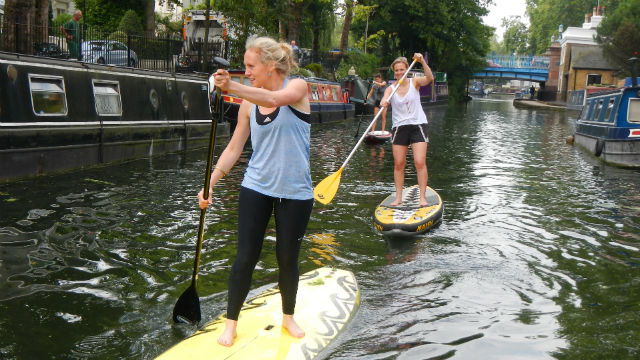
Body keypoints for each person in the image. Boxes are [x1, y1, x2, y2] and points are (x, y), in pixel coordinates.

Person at [198, 36, 313, 347]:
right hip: (256, 187)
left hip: (295, 192)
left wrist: (230, 87)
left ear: (270, 65)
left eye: (250, 66)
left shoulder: (298, 89)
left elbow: (274, 100)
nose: (246, 71)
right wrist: (212, 180)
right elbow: (235, 148)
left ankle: (288, 317)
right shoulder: (248, 103)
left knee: (287, 258)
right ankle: (231, 323)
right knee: (244, 257)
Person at [380, 53, 433, 207]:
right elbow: (385, 97)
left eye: (402, 69)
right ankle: (398, 198)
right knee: (399, 164)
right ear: (393, 72)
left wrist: (422, 61)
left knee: (419, 162)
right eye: (396, 70)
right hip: (399, 127)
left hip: (418, 125)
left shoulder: (414, 82)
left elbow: (429, 79)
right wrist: (384, 102)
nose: (399, 73)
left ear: (406, 70)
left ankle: (422, 198)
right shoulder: (391, 88)